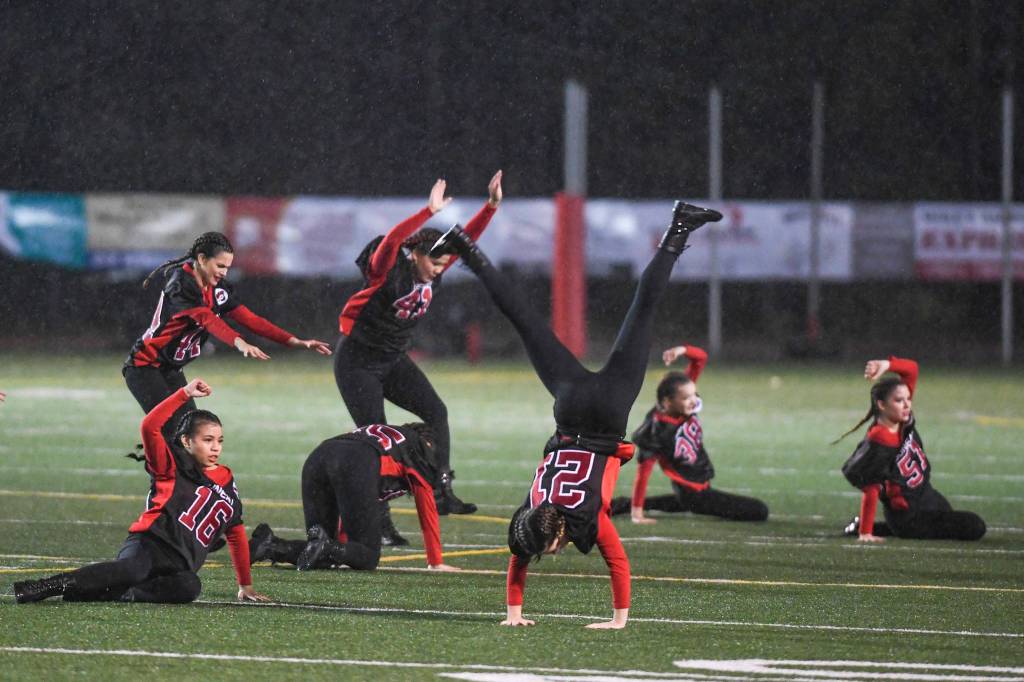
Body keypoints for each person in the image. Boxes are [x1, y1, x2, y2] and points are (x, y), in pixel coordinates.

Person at [429, 199, 722, 629]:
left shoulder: (581, 516)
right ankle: (463, 245)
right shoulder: (533, 508)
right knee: (526, 321)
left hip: (606, 414)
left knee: (642, 312)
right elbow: (520, 556)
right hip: (570, 408)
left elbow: (617, 563)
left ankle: (680, 226)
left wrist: (618, 621)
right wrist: (513, 614)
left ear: (555, 537)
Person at [335, 172, 502, 521]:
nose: (439, 270)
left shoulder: (435, 268)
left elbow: (465, 243)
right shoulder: (387, 270)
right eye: (433, 262)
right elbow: (394, 239)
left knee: (437, 412)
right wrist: (428, 212)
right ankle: (379, 522)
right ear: (414, 254)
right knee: (377, 440)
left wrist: (491, 207)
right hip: (358, 362)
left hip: (392, 360)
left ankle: (442, 491)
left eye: (443, 264)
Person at [14, 379, 269, 604]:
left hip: (179, 564)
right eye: (207, 440)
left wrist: (245, 585)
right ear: (186, 441)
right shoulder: (172, 464)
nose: (215, 447)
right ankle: (44, 586)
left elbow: (235, 535)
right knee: (133, 571)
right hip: (149, 546)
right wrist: (183, 393)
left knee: (190, 586)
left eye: (219, 441)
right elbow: (149, 427)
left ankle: (118, 594)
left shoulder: (227, 480)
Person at [125, 231, 331, 440]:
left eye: (227, 267)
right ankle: (164, 473)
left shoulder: (215, 289)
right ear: (202, 259)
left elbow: (251, 319)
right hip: (145, 366)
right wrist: (240, 343)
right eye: (220, 266)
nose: (224, 273)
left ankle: (180, 472)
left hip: (170, 369)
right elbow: (208, 320)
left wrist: (295, 341)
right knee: (176, 435)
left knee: (191, 433)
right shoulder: (181, 285)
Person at [246, 423, 459, 572]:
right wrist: (435, 560)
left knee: (320, 553)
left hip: (318, 456)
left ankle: (271, 546)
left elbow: (353, 500)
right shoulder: (417, 446)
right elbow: (426, 504)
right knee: (367, 557)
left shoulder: (385, 436)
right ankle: (327, 546)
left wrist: (342, 546)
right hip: (356, 462)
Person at [609, 344, 768, 524]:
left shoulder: (682, 402)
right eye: (686, 398)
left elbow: (700, 359)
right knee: (759, 511)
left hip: (696, 487)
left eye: (694, 394)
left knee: (677, 502)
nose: (693, 400)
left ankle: (620, 505)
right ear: (668, 402)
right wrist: (637, 514)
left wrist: (681, 350)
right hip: (693, 493)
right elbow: (643, 475)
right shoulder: (655, 431)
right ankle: (629, 506)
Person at [837, 356, 986, 542]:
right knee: (975, 526)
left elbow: (912, 369)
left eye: (908, 398)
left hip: (926, 495)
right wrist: (865, 534)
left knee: (950, 516)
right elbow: (871, 488)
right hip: (909, 517)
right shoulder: (880, 438)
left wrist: (887, 365)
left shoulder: (900, 418)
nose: (907, 404)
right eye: (900, 400)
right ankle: (866, 528)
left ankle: (872, 527)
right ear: (882, 405)